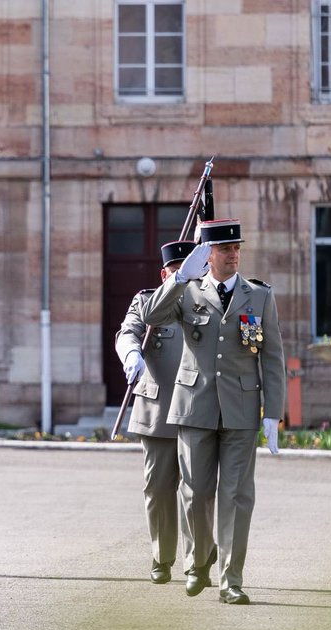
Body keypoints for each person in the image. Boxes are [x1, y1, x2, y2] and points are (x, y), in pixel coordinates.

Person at [140, 219, 285, 604]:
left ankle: (231, 579)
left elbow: (271, 357)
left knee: (237, 496)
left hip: (241, 409)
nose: (233, 254)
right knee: (195, 493)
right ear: (208, 255)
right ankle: (198, 561)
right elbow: (151, 318)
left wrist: (273, 411)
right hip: (194, 407)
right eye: (225, 249)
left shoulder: (259, 296)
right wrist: (178, 279)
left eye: (237, 248)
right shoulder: (187, 293)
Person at [115, 239, 214, 585]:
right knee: (157, 488)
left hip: (196, 406)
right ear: (165, 274)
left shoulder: (205, 303)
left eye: (188, 272)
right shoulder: (147, 301)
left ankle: (195, 560)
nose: (182, 279)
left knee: (195, 488)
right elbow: (127, 332)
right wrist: (131, 355)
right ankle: (161, 557)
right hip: (157, 406)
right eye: (175, 273)